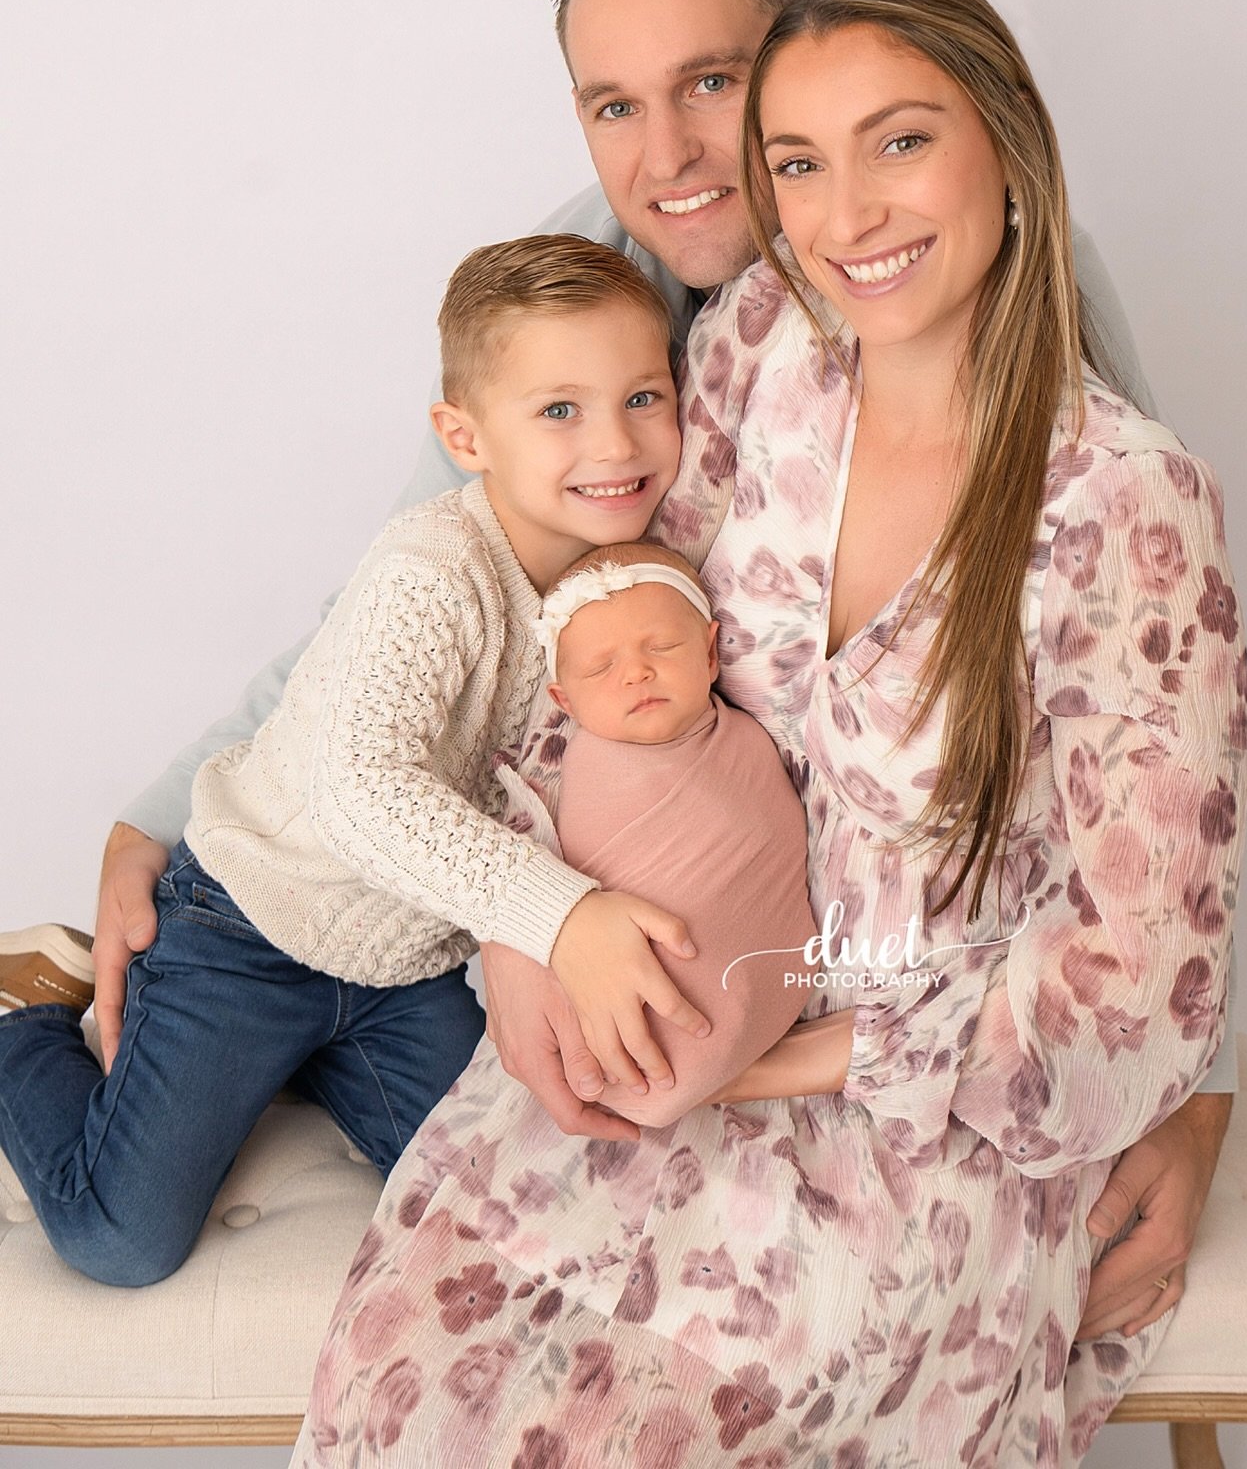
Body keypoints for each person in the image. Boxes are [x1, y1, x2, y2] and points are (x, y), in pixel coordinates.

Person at [89, 0, 1237, 1334]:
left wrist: (1200, 1091)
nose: (670, 158)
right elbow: (435, 597)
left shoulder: (1005, 298)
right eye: (614, 106)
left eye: (712, 84)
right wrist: (165, 810)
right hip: (605, 919)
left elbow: (1153, 706)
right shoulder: (586, 277)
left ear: (803, 60)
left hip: (866, 992)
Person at [0, 235, 718, 1286]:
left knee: (513, 1199)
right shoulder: (432, 572)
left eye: (643, 397)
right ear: (464, 435)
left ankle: (322, 1064)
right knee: (123, 1239)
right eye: (559, 410)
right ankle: (21, 1028)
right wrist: (562, 916)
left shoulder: (627, 585)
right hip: (252, 920)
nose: (614, 442)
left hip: (402, 963)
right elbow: (363, 793)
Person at [500, 539, 815, 1125]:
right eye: (601, 668)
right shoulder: (568, 767)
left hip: (781, 993)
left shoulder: (748, 739)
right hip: (621, 1029)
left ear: (711, 656)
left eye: (663, 647)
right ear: (563, 700)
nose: (637, 672)